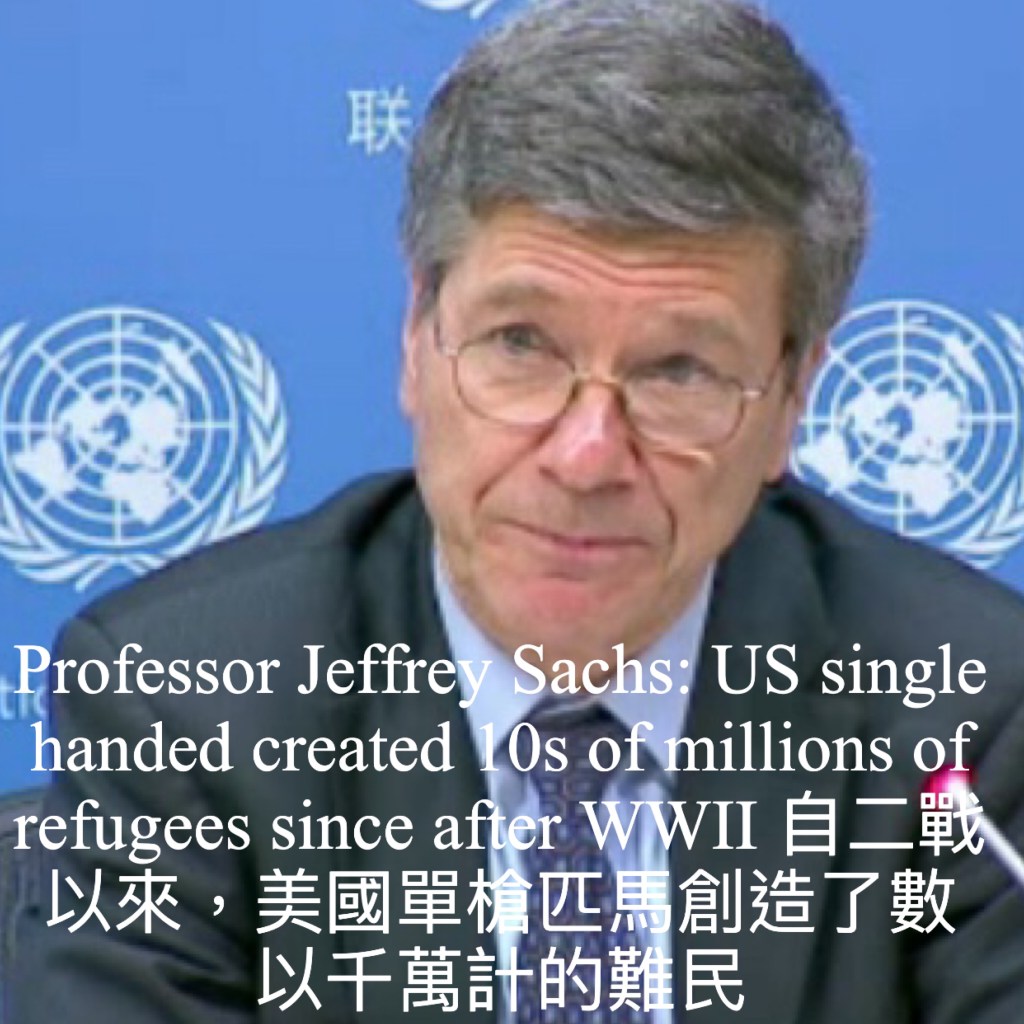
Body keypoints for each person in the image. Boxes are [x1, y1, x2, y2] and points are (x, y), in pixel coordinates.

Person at [12, 0, 1024, 1020]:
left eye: (678, 370)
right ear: (417, 334)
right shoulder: (187, 705)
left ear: (793, 396)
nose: (586, 456)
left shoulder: (965, 717)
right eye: (521, 345)